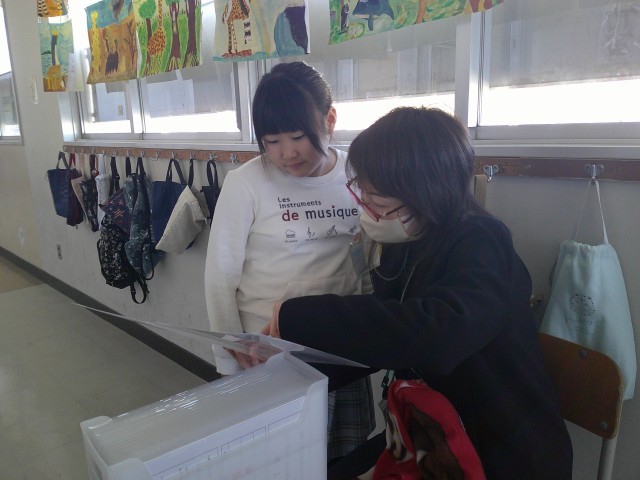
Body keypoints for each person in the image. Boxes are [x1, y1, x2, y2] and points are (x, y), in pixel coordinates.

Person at [262, 106, 574, 479]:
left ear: (425, 192)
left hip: (498, 448)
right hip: (430, 432)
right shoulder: (409, 238)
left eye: (377, 196)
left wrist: (297, 317)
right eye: (362, 189)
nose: (366, 205)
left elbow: (436, 333)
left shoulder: (483, 241)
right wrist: (289, 360)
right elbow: (385, 326)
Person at [203, 61, 375, 462]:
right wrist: (228, 360)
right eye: (272, 141)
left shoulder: (356, 173)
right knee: (282, 461)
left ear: (329, 120)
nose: (287, 153)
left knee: (343, 458)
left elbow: (370, 255)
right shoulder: (247, 184)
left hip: (340, 346)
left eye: (298, 136)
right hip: (270, 356)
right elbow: (220, 276)